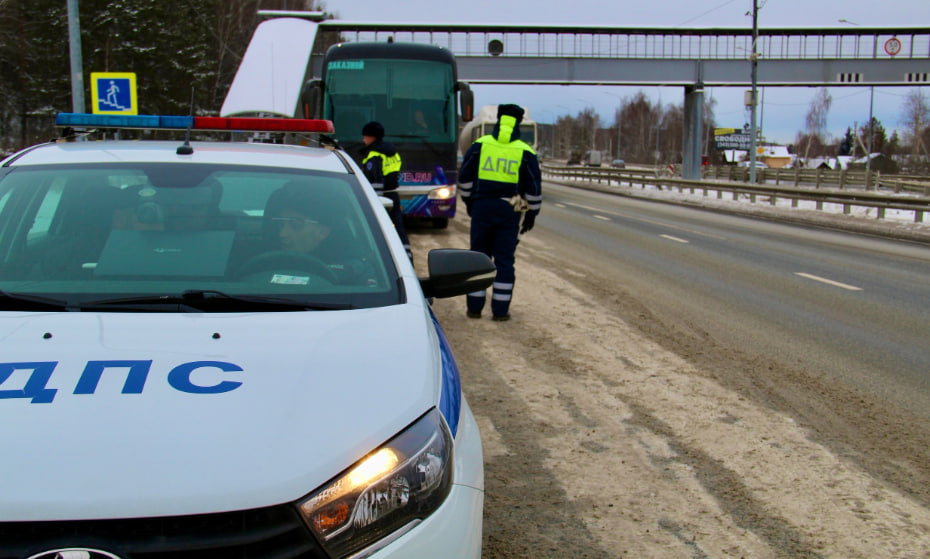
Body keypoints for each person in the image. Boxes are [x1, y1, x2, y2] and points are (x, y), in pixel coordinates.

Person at [458, 104, 542, 321]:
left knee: (478, 256)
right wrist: (532, 213)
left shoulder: (479, 145)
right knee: (504, 260)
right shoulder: (525, 151)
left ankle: (474, 308)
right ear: (518, 124)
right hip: (509, 211)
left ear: (498, 121)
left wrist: (470, 202)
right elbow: (533, 187)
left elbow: (465, 179)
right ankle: (500, 311)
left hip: (482, 208)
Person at [251, 183, 376, 285]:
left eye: (295, 224)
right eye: (281, 224)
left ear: (322, 232)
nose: (282, 234)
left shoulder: (356, 273)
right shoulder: (256, 263)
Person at [359, 121, 412, 262]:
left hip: (380, 196)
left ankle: (379, 259)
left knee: (376, 227)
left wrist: (374, 201)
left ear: (372, 137)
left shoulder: (374, 154)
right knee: (398, 227)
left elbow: (375, 181)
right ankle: (406, 257)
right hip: (393, 194)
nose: (363, 139)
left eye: (365, 136)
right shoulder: (392, 152)